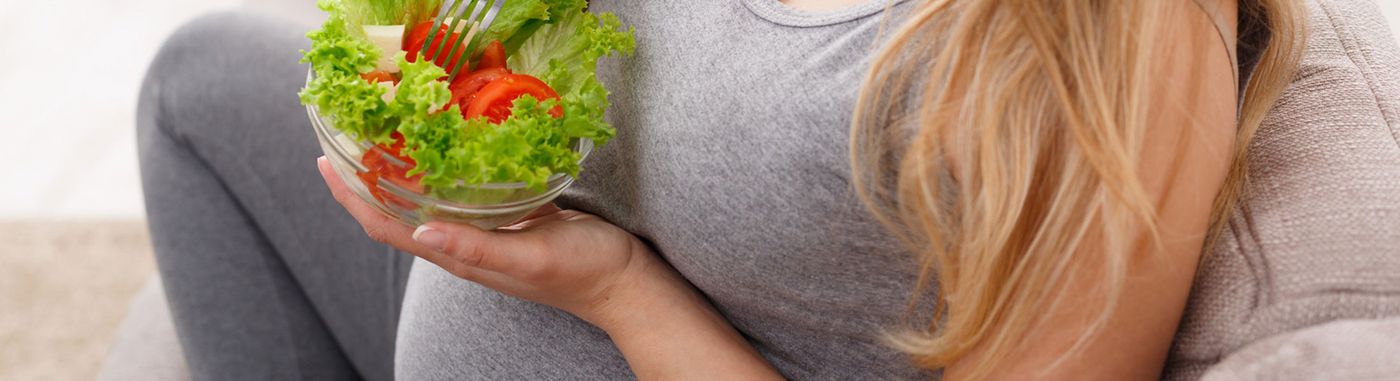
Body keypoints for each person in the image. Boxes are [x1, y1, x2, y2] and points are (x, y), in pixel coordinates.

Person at [137, 0, 1304, 379]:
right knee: (204, 86)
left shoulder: (1107, 43)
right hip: (506, 269)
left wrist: (620, 295)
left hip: (627, 316)